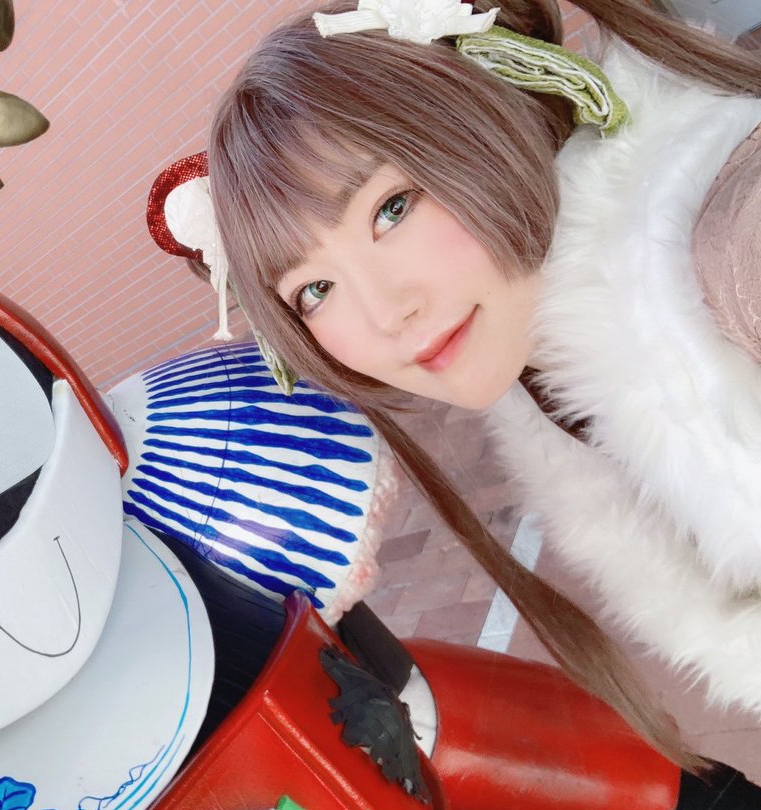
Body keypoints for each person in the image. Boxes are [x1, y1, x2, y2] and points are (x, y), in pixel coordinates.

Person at [182, 0, 761, 769]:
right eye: (314, 291)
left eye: (391, 208)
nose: (387, 314)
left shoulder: (729, 254)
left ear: (482, 115)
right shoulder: (545, 377)